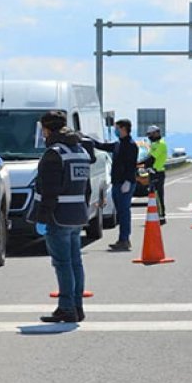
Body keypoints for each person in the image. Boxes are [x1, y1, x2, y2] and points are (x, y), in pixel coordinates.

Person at [28, 111, 90, 323]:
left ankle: (66, 308)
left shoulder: (54, 153)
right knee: (75, 263)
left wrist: (42, 217)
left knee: (63, 264)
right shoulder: (79, 150)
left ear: (46, 129)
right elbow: (87, 188)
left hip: (58, 216)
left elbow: (49, 191)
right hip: (77, 215)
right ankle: (77, 307)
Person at [90, 119, 138, 251]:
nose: (115, 130)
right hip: (117, 183)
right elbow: (102, 146)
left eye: (117, 128)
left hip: (125, 183)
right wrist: (88, 140)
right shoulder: (118, 144)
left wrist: (128, 181)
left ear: (123, 128)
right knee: (120, 212)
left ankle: (124, 239)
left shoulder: (131, 145)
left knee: (124, 212)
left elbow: (131, 165)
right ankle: (122, 239)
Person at [142, 125, 168, 224]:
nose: (149, 137)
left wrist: (141, 164)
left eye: (150, 134)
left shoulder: (161, 144)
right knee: (153, 195)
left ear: (156, 133)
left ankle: (161, 216)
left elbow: (151, 158)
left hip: (158, 172)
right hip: (152, 172)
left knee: (158, 195)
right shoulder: (153, 144)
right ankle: (156, 214)